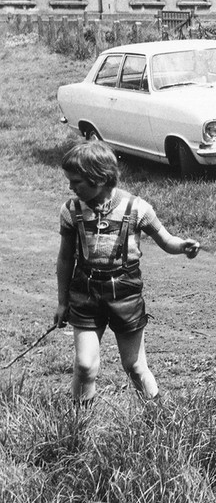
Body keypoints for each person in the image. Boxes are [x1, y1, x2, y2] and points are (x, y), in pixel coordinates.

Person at [54, 140, 200, 409]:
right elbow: (65, 259)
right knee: (85, 366)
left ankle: (158, 416)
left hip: (125, 292)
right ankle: (77, 424)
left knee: (134, 365)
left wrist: (184, 247)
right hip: (85, 293)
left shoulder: (136, 208)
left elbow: (167, 241)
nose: (71, 187)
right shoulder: (71, 211)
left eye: (76, 182)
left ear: (99, 178)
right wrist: (63, 302)